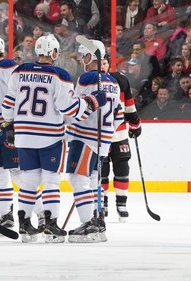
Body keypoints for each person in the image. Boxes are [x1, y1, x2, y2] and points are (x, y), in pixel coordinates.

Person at [2, 34, 107, 243]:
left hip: (23, 135)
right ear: (55, 53)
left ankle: (25, 225)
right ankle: (51, 226)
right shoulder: (60, 74)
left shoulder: (19, 71)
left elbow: (8, 105)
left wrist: (9, 125)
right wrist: (91, 103)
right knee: (50, 180)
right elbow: (68, 108)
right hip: (49, 136)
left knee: (29, 180)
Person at [0, 35, 45, 233]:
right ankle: (6, 214)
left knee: (16, 173)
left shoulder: (7, 66)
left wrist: (13, 124)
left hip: (8, 126)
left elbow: (18, 94)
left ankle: (42, 213)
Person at [65, 39, 124, 243]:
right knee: (93, 181)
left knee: (77, 178)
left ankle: (88, 224)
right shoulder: (113, 82)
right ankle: (98, 223)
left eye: (83, 55)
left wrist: (68, 126)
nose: (82, 59)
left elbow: (76, 107)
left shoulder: (87, 78)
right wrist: (106, 134)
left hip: (84, 137)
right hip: (103, 141)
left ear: (90, 56)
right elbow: (119, 114)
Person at [100, 55, 142, 222]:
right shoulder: (89, 81)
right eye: (99, 63)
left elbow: (129, 105)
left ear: (109, 64)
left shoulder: (120, 80)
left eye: (104, 63)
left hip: (119, 134)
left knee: (122, 168)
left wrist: (135, 123)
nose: (102, 66)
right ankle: (102, 203)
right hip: (99, 136)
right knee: (101, 171)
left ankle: (121, 204)